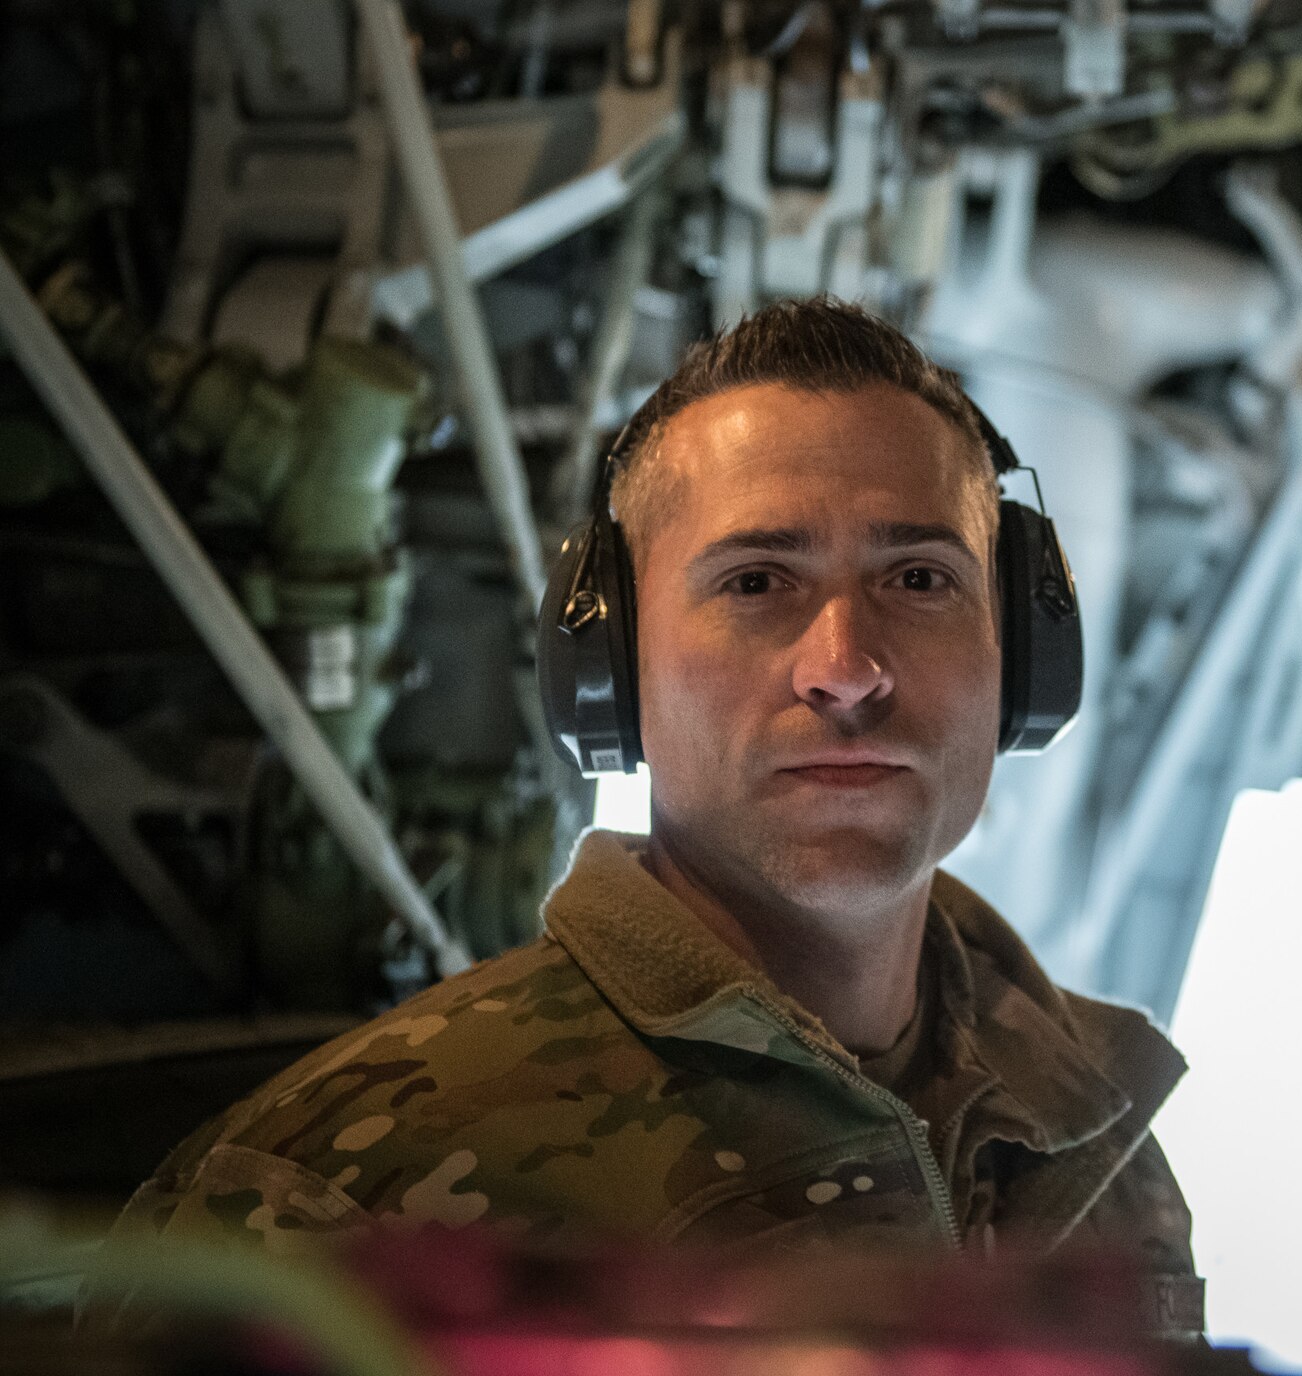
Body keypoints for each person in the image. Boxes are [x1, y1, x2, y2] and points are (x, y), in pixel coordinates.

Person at [108, 298, 1202, 1339]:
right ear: (608, 672)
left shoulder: (1103, 1148)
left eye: (917, 578)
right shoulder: (333, 1191)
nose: (847, 669)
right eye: (755, 581)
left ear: (1021, 661)